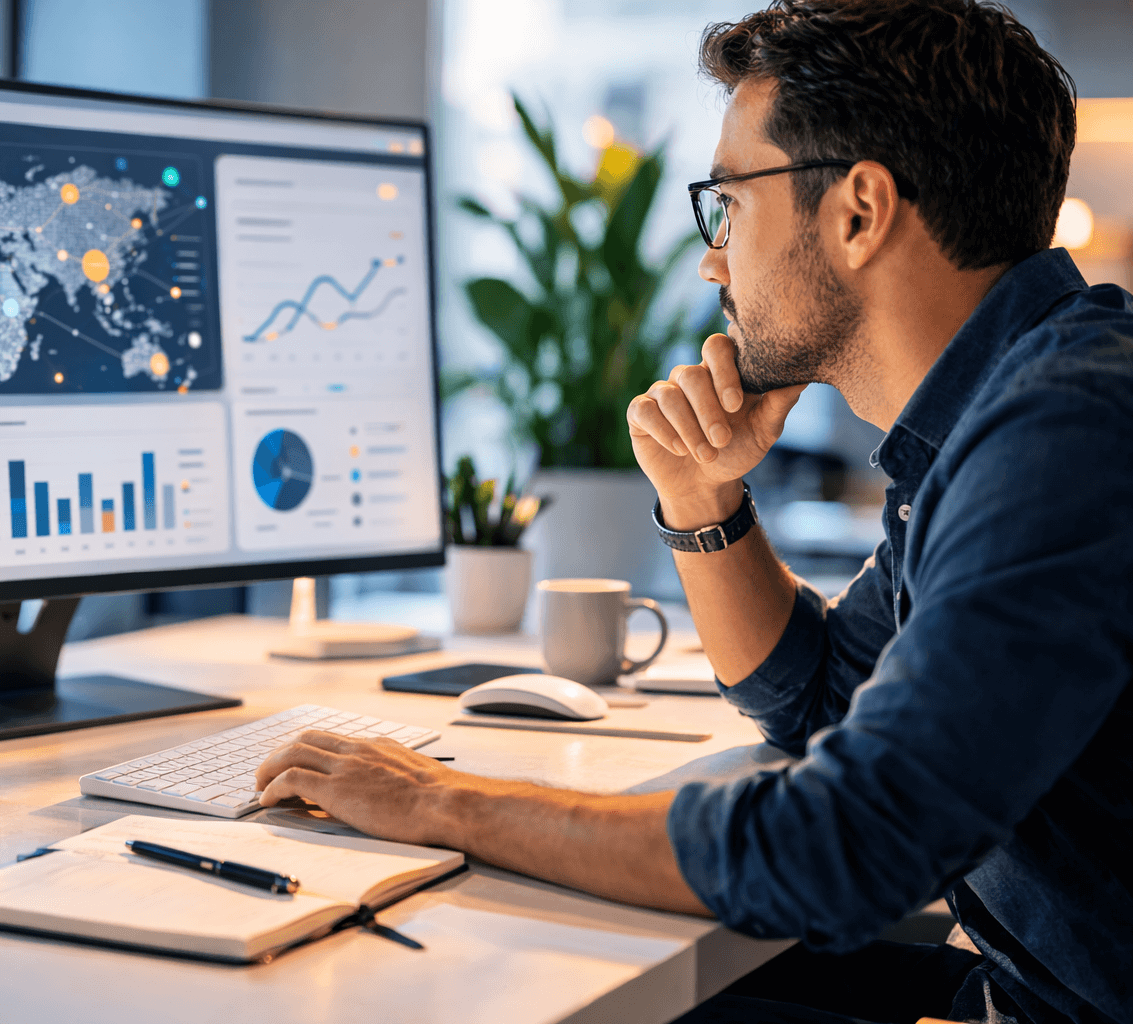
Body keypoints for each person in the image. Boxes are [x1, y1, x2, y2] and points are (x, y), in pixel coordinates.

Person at [254, 2, 1133, 1022]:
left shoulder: (1067, 430)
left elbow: (843, 847)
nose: (714, 259)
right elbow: (829, 701)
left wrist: (438, 801)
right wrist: (701, 495)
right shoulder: (997, 413)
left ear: (858, 211)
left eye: (730, 204)